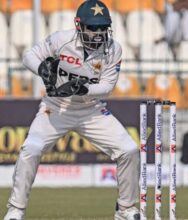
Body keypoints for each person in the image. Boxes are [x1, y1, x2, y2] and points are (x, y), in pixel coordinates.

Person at [3, 1, 140, 220]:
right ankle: (16, 210)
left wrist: (83, 88)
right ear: (79, 25)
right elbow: (28, 56)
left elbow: (106, 87)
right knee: (32, 149)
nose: (98, 33)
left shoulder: (114, 49)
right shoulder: (61, 39)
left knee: (129, 150)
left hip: (91, 109)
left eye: (102, 27)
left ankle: (126, 209)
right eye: (92, 28)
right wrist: (41, 69)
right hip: (55, 108)